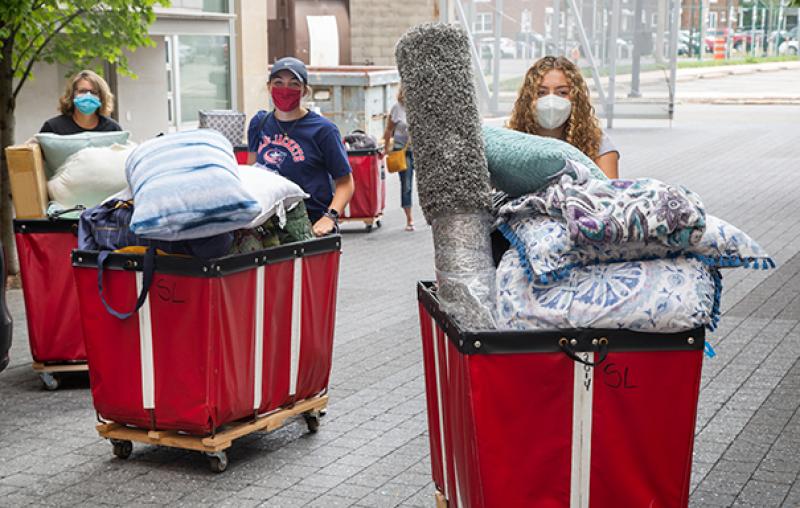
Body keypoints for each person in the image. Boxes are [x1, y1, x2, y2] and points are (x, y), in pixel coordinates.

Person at [247, 57, 354, 237]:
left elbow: (345, 183)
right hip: (268, 227)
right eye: (278, 83)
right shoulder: (259, 123)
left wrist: (330, 217)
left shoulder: (323, 130)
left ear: (305, 90)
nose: (285, 90)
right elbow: (252, 173)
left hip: (312, 226)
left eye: (294, 84)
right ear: (269, 87)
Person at [508, 56, 619, 179]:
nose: (551, 101)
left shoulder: (598, 144)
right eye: (541, 93)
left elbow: (610, 194)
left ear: (576, 98)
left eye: (562, 93)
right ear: (528, 99)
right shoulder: (510, 144)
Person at [40, 70, 122, 135]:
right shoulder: (53, 127)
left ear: (102, 97)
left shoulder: (113, 129)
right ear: (72, 94)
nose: (88, 96)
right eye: (82, 91)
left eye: (94, 92)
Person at [382, 86, 415, 231]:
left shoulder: (420, 107)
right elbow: (389, 129)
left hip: (419, 151)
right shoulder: (397, 108)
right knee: (406, 184)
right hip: (403, 150)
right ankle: (409, 218)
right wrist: (386, 149)